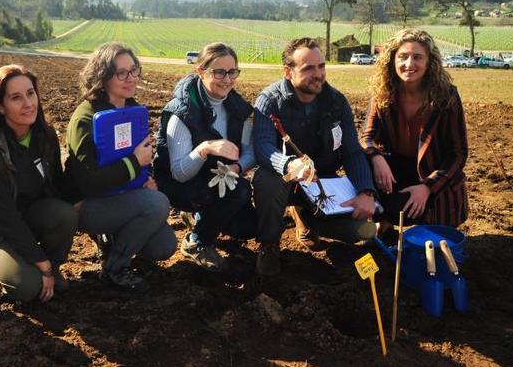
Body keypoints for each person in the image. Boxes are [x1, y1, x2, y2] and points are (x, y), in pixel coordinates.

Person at [252, 37, 377, 276]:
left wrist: (365, 191)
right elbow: (262, 146)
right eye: (308, 68)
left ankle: (307, 219)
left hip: (323, 183)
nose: (318, 74)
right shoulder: (269, 101)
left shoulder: (336, 101)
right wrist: (289, 164)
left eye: (321, 66)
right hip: (286, 180)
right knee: (265, 180)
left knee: (360, 231)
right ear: (288, 72)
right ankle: (269, 244)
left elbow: (351, 150)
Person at [64, 42, 176, 292]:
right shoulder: (85, 118)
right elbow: (89, 182)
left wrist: (147, 179)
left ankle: (112, 238)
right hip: (88, 204)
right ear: (102, 77)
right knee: (157, 204)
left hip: (123, 198)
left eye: (134, 70)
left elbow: (141, 156)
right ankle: (115, 266)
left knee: (163, 246)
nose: (131, 78)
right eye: (121, 73)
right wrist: (135, 163)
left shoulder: (133, 111)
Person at [0, 64, 78, 303]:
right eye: (16, 97)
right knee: (29, 288)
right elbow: (4, 219)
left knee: (64, 214)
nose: (28, 103)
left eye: (30, 93)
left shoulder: (44, 136)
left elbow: (57, 186)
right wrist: (42, 264)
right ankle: (23, 268)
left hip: (30, 218)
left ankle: (49, 267)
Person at [153, 42, 256, 271]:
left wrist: (236, 169)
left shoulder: (237, 108)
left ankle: (201, 217)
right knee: (239, 191)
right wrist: (205, 148)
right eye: (219, 72)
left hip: (217, 178)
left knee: (247, 228)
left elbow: (251, 152)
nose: (227, 79)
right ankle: (196, 242)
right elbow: (179, 173)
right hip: (178, 184)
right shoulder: (182, 112)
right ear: (200, 71)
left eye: (232, 72)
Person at [361, 29, 468, 229]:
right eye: (402, 57)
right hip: (394, 170)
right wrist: (376, 157)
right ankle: (382, 223)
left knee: (426, 230)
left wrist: (427, 187)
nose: (409, 64)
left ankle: (429, 222)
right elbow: (367, 137)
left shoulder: (447, 97)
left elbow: (458, 153)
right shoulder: (382, 93)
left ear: (429, 62)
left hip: (432, 171)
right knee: (362, 167)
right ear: (392, 60)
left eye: (417, 57)